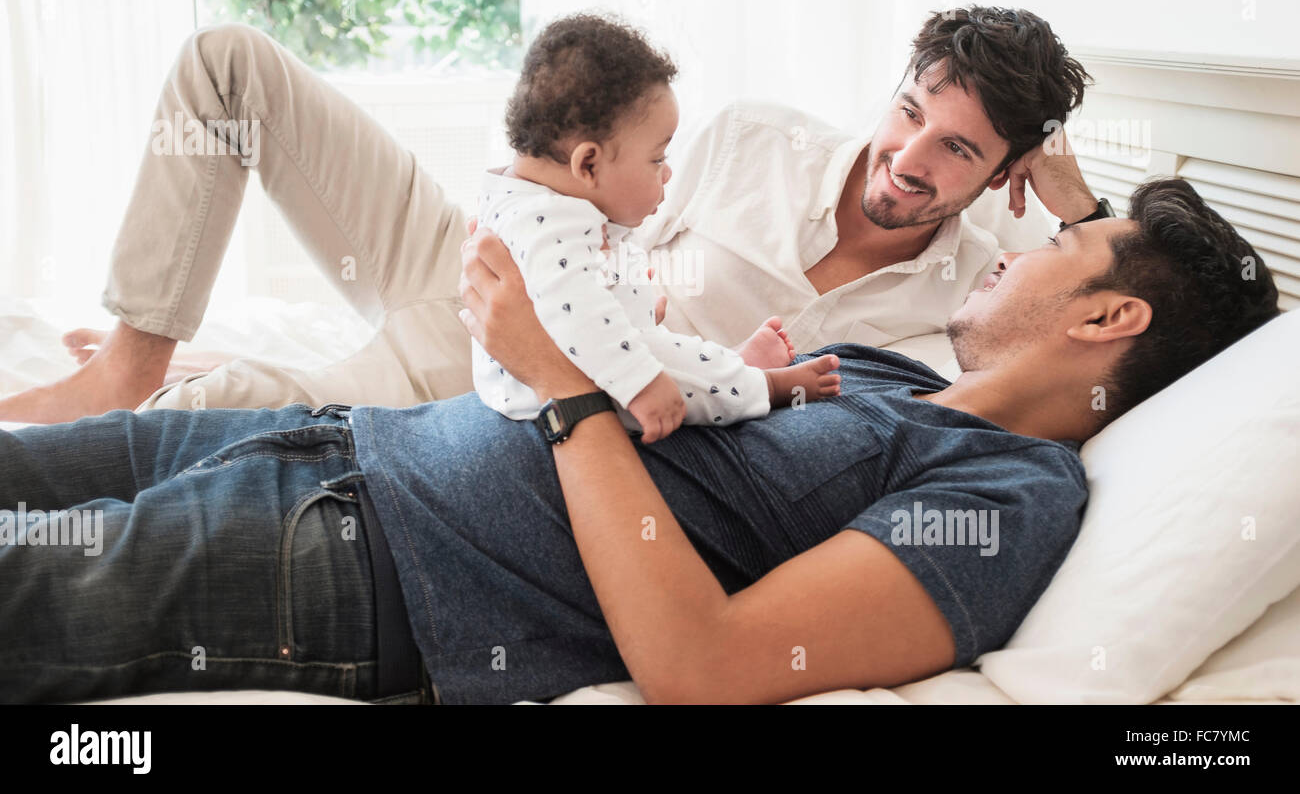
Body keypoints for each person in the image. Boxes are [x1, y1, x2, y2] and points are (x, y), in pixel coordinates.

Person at [0, 178, 1279, 705]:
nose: (1013, 247)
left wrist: (565, 389)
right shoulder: (888, 371)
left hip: (359, 565)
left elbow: (701, 659)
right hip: (329, 444)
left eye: (1055, 246)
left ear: (1111, 315)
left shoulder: (1008, 493)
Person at [0, 5, 1099, 424]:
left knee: (235, 410)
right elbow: (599, 203)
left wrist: (1075, 198)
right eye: (908, 110)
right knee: (227, 65)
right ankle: (135, 359)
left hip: (525, 356)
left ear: (1001, 170)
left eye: (954, 148)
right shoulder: (762, 137)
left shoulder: (981, 284)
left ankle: (186, 385)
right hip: (484, 247)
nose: (904, 159)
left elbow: (1182, 314)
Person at [476, 12, 841, 442]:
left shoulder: (529, 198)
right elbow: (575, 310)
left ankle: (730, 365)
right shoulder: (546, 220)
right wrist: (641, 385)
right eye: (657, 159)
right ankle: (767, 386)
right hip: (565, 393)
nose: (667, 174)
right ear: (587, 163)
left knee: (666, 350)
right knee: (660, 364)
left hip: (584, 364)